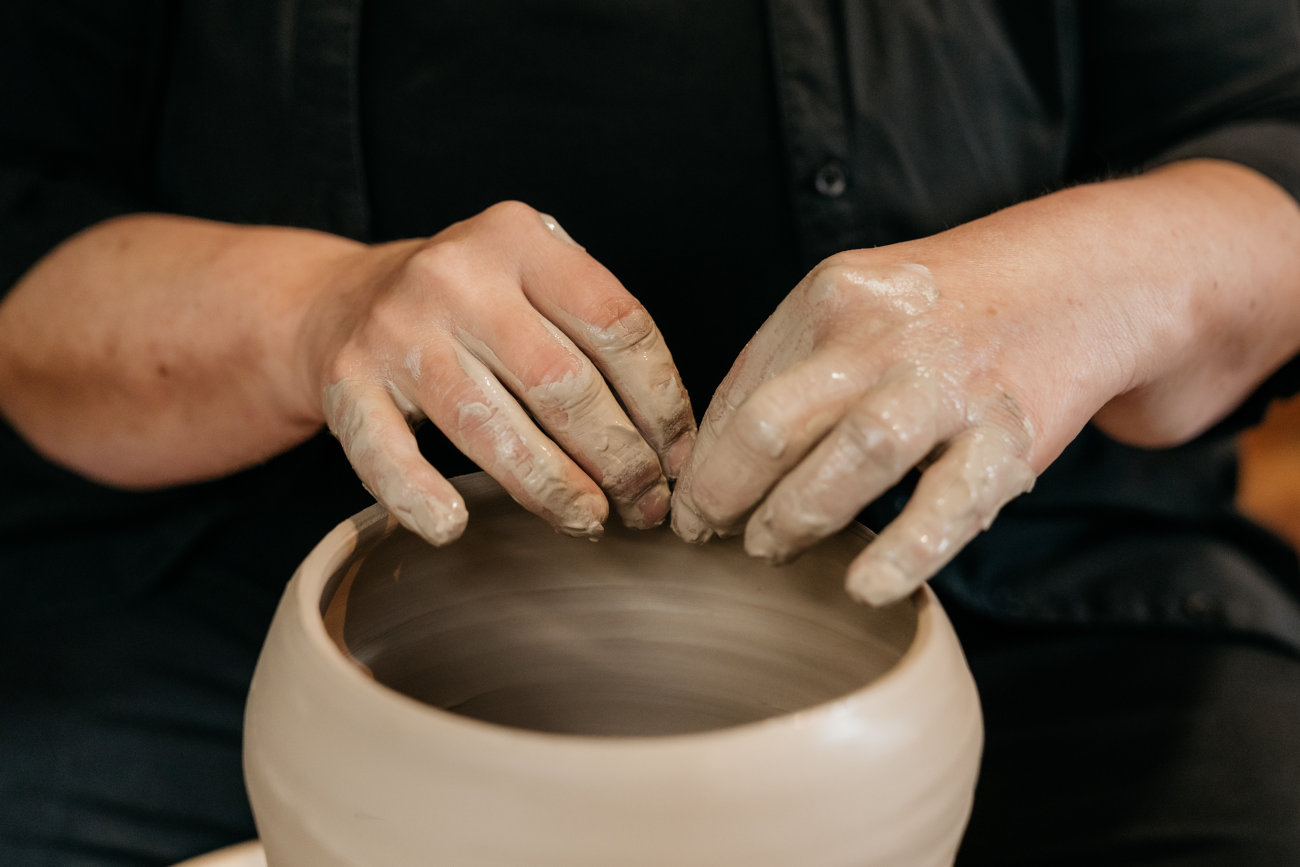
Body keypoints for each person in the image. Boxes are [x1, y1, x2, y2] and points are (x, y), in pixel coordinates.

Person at [3, 1, 1300, 864]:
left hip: (1014, 579)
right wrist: (314, 314)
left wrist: (1086, 286)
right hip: (248, 591)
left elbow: (1272, 137)